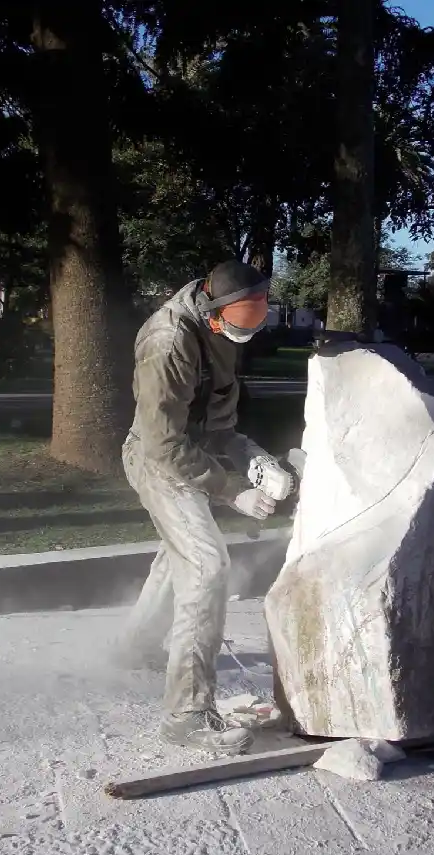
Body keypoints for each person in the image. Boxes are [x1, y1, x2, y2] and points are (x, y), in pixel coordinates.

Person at [118, 260, 291, 755]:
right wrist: (231, 490)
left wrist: (254, 460)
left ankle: (133, 647)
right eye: (242, 321)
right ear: (214, 314)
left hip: (187, 451)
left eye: (257, 317)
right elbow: (163, 446)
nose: (250, 329)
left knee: (181, 553)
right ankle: (187, 717)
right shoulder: (167, 342)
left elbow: (218, 427)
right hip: (157, 458)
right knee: (209, 567)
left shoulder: (222, 330)